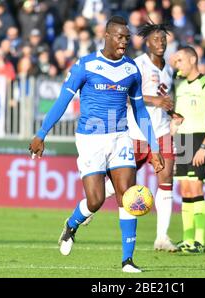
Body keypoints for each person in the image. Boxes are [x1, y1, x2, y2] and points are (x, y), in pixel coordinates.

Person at [28, 16, 164, 273]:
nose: (125, 41)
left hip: (120, 135)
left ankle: (128, 260)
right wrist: (41, 133)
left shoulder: (131, 70)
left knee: (127, 194)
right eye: (120, 37)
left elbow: (140, 111)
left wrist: (154, 147)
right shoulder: (86, 65)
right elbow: (62, 101)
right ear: (108, 36)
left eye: (127, 37)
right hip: (91, 138)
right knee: (96, 200)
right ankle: (72, 224)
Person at [81, 22, 185, 252]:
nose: (161, 43)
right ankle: (89, 206)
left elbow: (162, 100)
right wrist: (156, 100)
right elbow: (126, 98)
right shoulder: (136, 65)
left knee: (166, 181)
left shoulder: (167, 70)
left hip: (162, 132)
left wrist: (170, 111)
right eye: (156, 39)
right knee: (122, 185)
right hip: (136, 134)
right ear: (146, 42)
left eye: (164, 39)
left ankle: (161, 237)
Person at [173, 46, 205, 254]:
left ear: (193, 60)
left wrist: (204, 146)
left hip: (198, 139)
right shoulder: (181, 86)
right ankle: (187, 240)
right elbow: (178, 116)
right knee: (184, 189)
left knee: (196, 188)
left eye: (180, 60)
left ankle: (200, 242)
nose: (177, 65)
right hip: (182, 139)